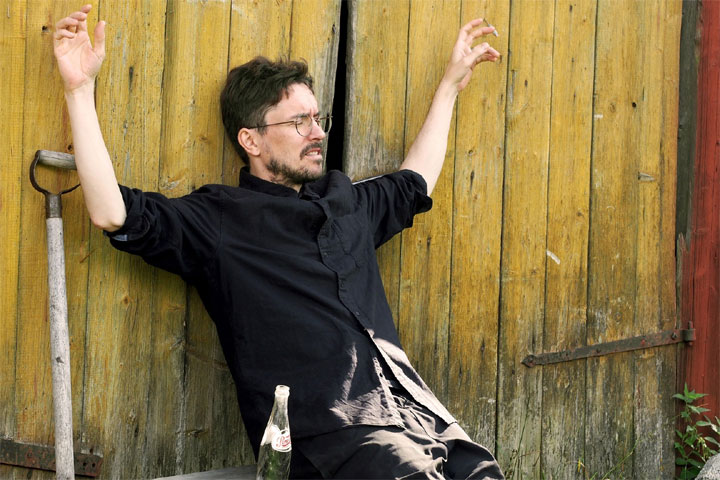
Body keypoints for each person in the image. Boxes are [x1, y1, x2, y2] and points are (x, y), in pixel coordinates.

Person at [54, 4, 504, 479]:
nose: (318, 133)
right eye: (298, 122)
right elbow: (112, 213)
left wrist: (450, 87)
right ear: (251, 141)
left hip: (420, 416)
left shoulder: (345, 202)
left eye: (317, 118)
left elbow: (414, 183)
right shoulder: (220, 221)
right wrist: (79, 91)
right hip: (330, 437)